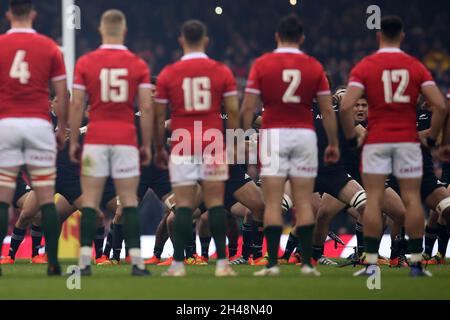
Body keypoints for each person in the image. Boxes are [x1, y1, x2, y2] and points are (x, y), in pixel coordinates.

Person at [340, 16, 448, 277]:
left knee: (375, 201)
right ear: (402, 37)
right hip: (408, 141)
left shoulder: (365, 66)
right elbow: (442, 105)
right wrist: (434, 137)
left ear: (379, 37)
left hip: (377, 141)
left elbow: (345, 106)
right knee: (412, 201)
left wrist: (353, 139)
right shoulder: (415, 67)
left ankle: (371, 265)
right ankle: (416, 264)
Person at [241, 14, 340, 276]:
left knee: (273, 202)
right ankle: (307, 264)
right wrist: (332, 142)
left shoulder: (262, 64)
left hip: (274, 134)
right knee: (304, 203)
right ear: (302, 38)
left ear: (277, 37)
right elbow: (328, 111)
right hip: (304, 135)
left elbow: (249, 106)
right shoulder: (314, 67)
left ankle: (272, 264)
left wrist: (239, 135)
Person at [69, 9, 153, 276]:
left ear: (100, 31)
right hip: (126, 140)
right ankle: (137, 263)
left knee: (91, 201)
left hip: (95, 140)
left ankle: (84, 264)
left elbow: (77, 104)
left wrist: (72, 139)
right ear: (124, 32)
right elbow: (147, 109)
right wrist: (148, 144)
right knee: (129, 200)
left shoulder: (85, 62)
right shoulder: (138, 64)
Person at [154, 19, 239, 277]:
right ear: (206, 40)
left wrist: (159, 146)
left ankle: (178, 264)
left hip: (183, 140)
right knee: (215, 204)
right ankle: (223, 264)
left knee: (182, 206)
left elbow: (158, 116)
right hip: (212, 139)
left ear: (181, 41)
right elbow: (233, 111)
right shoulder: (221, 71)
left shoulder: (169, 72)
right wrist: (233, 142)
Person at [0, 0, 68, 276]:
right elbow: (62, 94)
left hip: (8, 123)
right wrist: (62, 128)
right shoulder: (49, 47)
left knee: (4, 196)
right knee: (45, 195)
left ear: (8, 15)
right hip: (39, 125)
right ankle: (52, 261)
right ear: (34, 15)